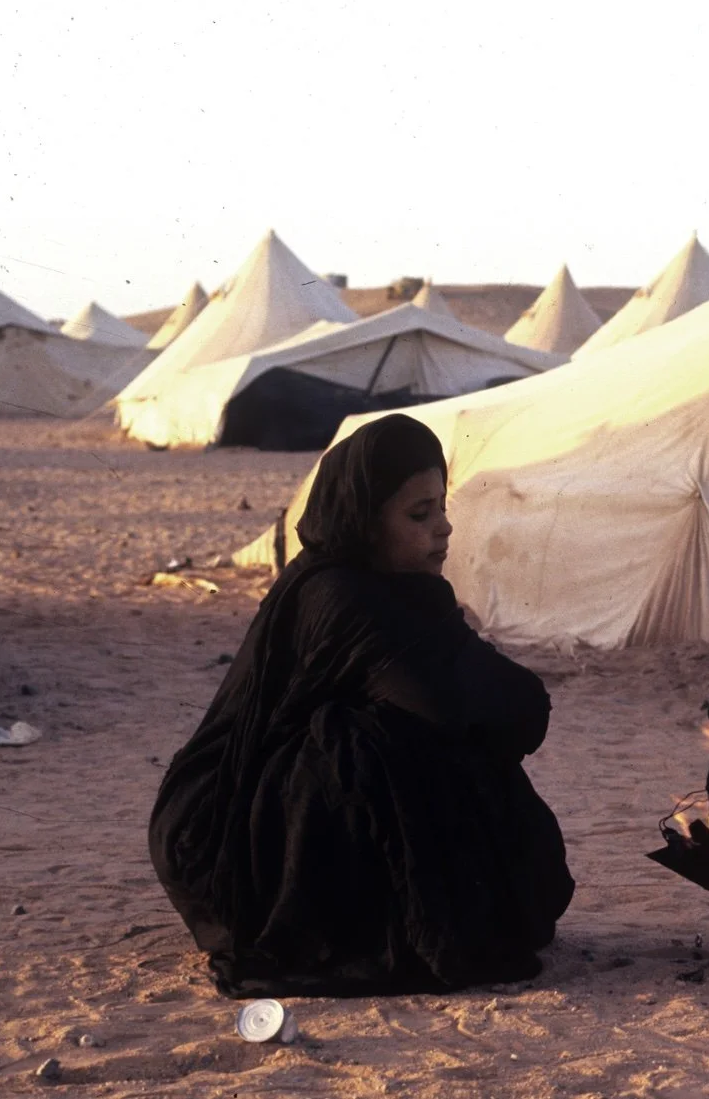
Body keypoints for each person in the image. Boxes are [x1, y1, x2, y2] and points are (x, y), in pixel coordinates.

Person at [148, 414, 573, 998]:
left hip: (281, 809)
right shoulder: (340, 596)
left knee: (408, 738)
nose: (444, 528)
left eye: (441, 507)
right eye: (419, 515)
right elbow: (474, 703)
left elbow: (515, 708)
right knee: (375, 742)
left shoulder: (401, 593)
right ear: (365, 522)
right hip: (226, 834)